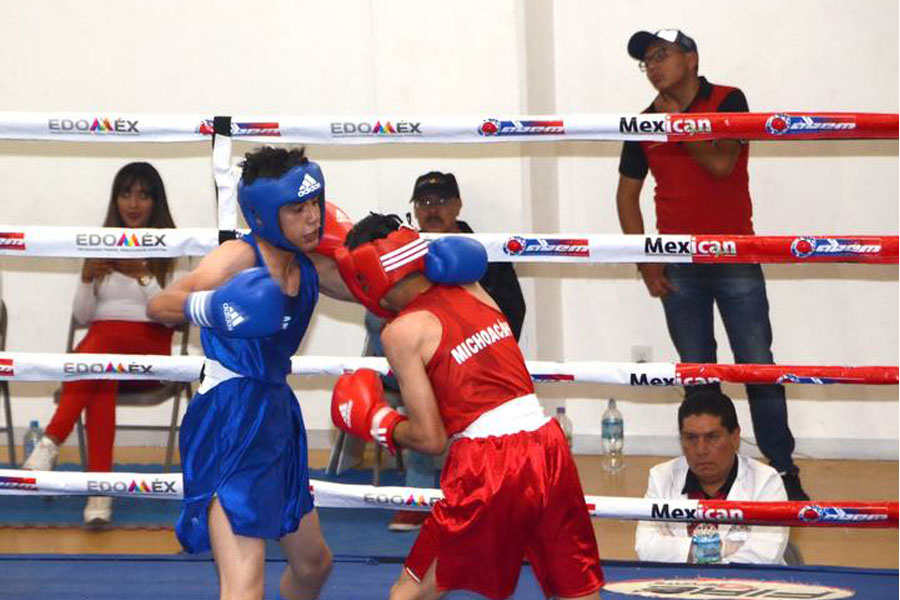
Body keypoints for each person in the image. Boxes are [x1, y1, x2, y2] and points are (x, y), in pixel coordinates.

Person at [331, 213, 603, 600]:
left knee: (407, 594)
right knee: (576, 590)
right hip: (548, 447)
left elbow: (430, 438)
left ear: (368, 278)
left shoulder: (402, 333)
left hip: (489, 463)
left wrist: (381, 423)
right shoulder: (472, 287)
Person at [146, 147, 355, 600]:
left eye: (315, 203)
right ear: (263, 214)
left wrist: (391, 256)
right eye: (297, 209)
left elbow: (380, 295)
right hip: (229, 416)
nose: (313, 217)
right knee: (243, 584)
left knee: (313, 565)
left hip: (277, 413)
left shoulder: (313, 264)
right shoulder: (236, 259)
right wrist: (212, 307)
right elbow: (159, 305)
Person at [615, 28, 808, 501]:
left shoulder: (728, 100)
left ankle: (782, 469)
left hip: (735, 253)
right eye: (647, 62)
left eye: (661, 56)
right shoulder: (643, 122)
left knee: (757, 364)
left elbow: (723, 164)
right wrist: (646, 260)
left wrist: (680, 124)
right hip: (678, 260)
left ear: (691, 58)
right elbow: (626, 196)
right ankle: (705, 478)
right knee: (697, 371)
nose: (654, 67)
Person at [23, 162, 178, 526]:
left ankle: (50, 443)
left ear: (156, 201)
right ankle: (99, 492)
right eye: (125, 194)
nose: (133, 203)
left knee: (97, 351)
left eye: (143, 194)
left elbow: (173, 315)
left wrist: (142, 277)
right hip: (103, 355)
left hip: (150, 355)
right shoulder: (101, 243)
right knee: (100, 372)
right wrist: (87, 278)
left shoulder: (175, 244)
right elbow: (83, 314)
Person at [377, 171, 527, 531]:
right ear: (413, 209)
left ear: (458, 205)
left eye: (441, 202)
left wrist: (481, 356)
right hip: (425, 358)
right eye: (424, 203)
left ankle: (475, 495)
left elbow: (513, 308)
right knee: (416, 386)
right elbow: (385, 307)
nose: (433, 210)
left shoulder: (483, 249)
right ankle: (416, 500)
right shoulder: (405, 253)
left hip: (478, 362)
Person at [635, 390, 789, 564]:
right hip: (678, 586)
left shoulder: (766, 481)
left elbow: (764, 554)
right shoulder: (661, 477)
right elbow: (646, 548)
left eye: (712, 437)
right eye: (691, 438)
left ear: (735, 437)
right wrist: (722, 548)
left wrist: (686, 552)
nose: (701, 450)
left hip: (746, 587)